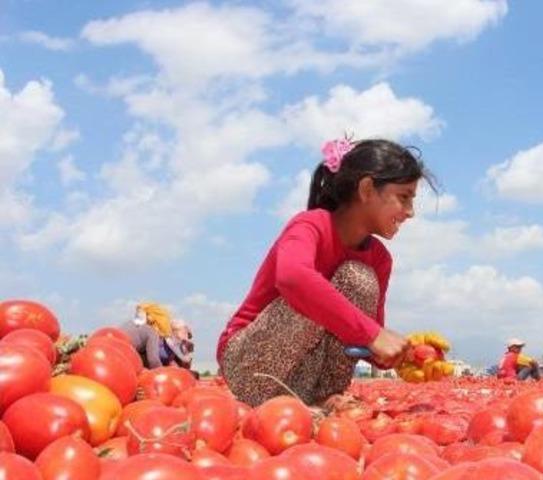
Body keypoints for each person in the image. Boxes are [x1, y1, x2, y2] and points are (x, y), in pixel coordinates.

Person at [217, 138, 434, 407]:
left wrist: (408, 355)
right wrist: (373, 335)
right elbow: (293, 278)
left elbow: (366, 336)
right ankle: (283, 403)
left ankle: (321, 398)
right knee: (332, 284)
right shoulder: (310, 226)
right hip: (250, 368)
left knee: (359, 278)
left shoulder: (379, 259)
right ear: (367, 189)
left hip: (304, 382)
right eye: (404, 197)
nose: (410, 212)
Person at [118, 303, 167, 369]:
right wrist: (163, 372)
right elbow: (153, 360)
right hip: (124, 363)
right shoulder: (151, 332)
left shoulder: (126, 324)